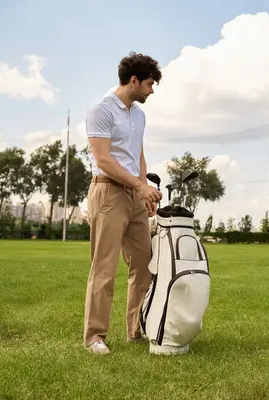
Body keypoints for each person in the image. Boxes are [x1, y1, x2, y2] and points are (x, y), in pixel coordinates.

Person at [83, 52, 163, 354]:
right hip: (108, 193)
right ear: (134, 81)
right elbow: (103, 159)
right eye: (149, 84)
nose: (151, 91)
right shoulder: (100, 110)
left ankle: (136, 330)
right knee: (104, 267)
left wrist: (144, 189)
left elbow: (138, 156)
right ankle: (95, 337)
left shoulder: (139, 115)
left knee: (144, 265)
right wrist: (137, 187)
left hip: (134, 195)